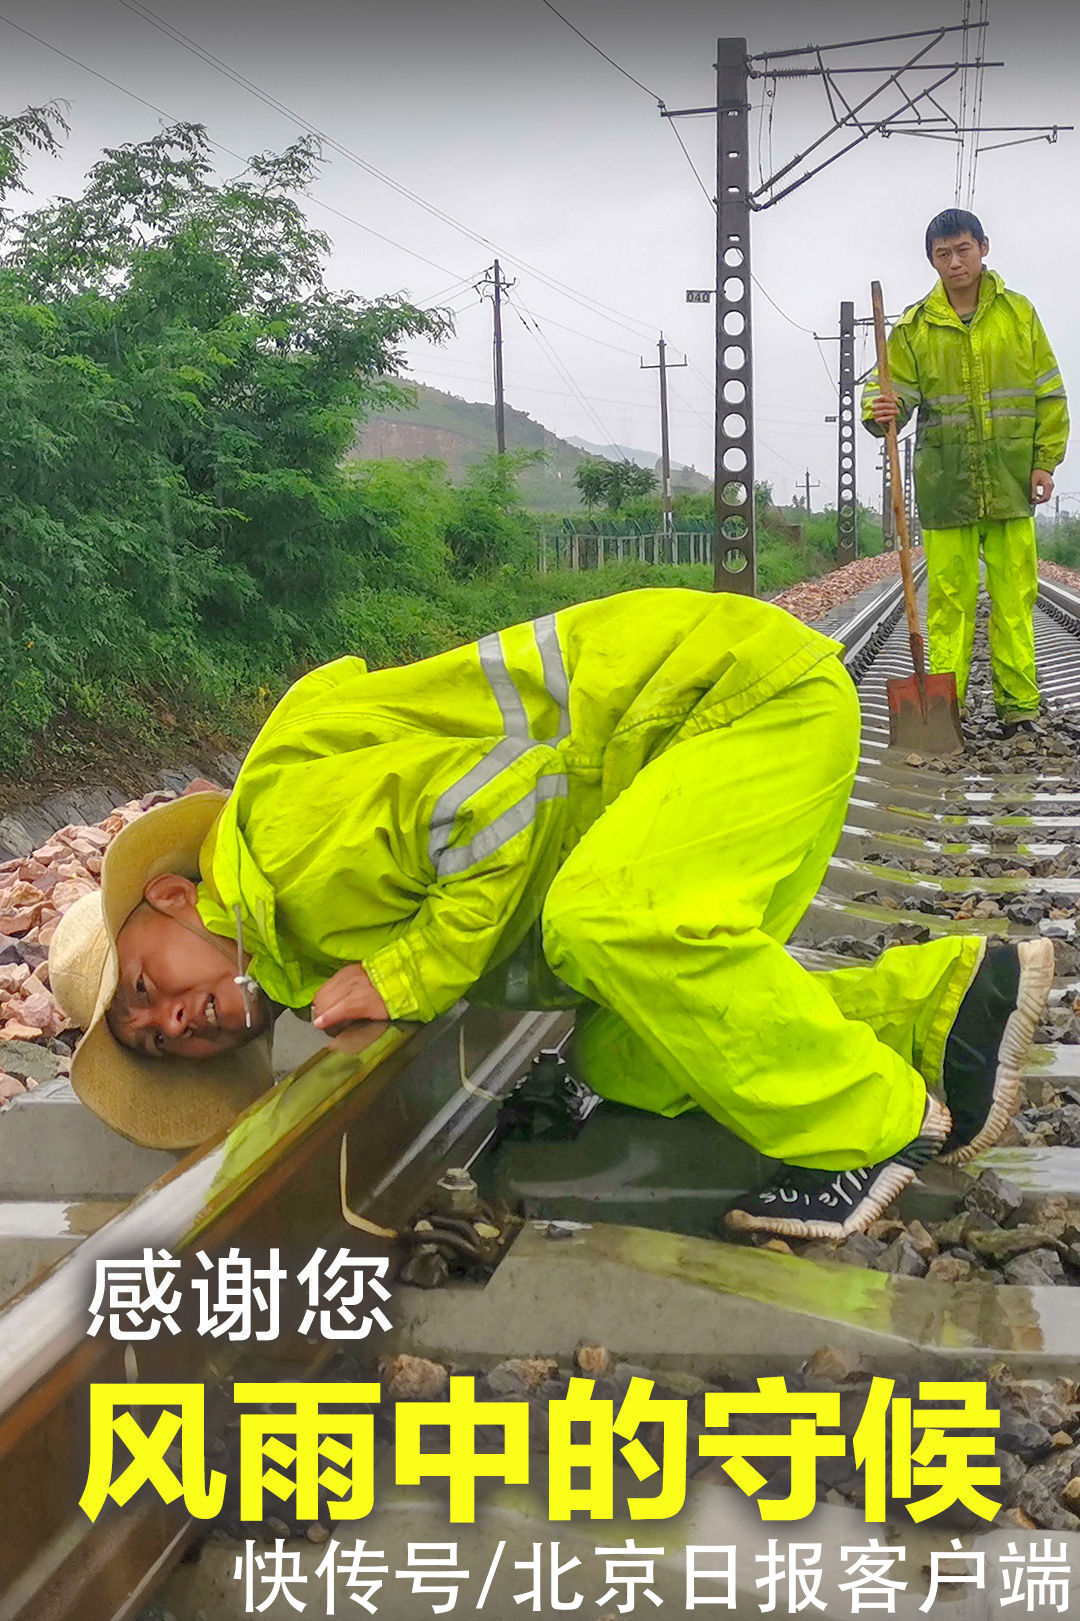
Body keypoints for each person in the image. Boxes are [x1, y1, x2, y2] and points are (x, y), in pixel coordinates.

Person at [50, 588, 1054, 1240]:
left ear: (174, 895)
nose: (170, 1020)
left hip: (733, 705)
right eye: (155, 1043)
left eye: (145, 987)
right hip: (695, 760)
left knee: (607, 920)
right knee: (624, 1054)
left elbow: (503, 802)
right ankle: (943, 1003)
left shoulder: (283, 843)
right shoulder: (301, 934)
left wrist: (407, 975)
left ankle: (871, 1128)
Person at [862, 207, 1069, 733]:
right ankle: (944, 713)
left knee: (1014, 599)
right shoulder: (913, 328)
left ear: (983, 247)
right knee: (949, 606)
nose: (954, 263)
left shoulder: (1019, 316)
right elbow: (888, 390)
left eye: (962, 250)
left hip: (1010, 484)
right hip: (946, 487)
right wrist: (880, 409)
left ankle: (1019, 709)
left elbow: (1049, 391)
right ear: (931, 261)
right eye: (942, 255)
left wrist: (1045, 461)